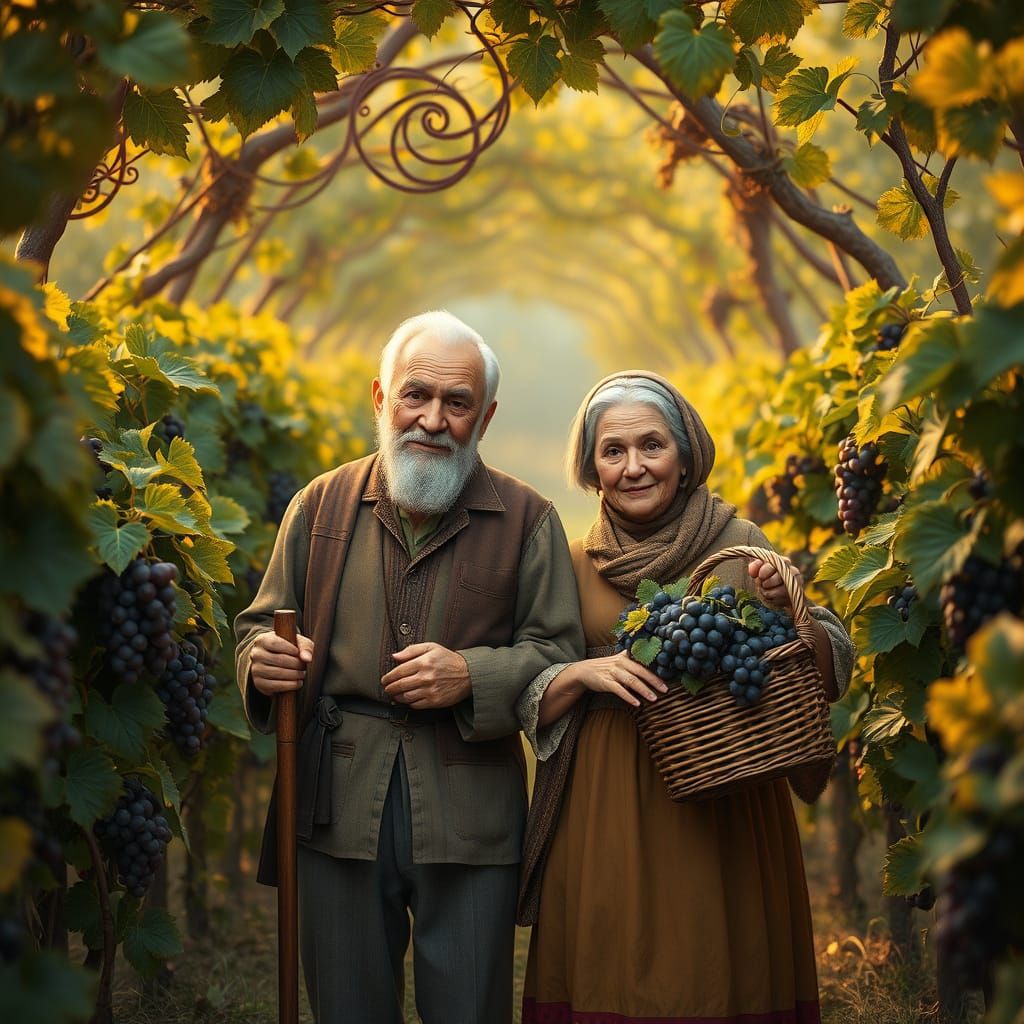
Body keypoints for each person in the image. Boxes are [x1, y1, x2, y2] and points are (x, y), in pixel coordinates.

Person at [234, 310, 584, 1024]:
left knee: (470, 1008)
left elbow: (559, 655)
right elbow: (259, 625)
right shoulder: (318, 506)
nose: (431, 420)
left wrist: (471, 675)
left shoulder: (529, 519)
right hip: (335, 803)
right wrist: (262, 659)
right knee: (346, 1006)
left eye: (457, 403)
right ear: (380, 398)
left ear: (484, 417)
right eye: (414, 395)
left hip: (472, 811)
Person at [516, 371, 855, 1024]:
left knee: (721, 960)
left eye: (652, 445)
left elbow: (827, 657)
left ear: (686, 452)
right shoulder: (569, 559)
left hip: (730, 792)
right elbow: (530, 681)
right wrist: (583, 675)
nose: (633, 466)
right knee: (613, 962)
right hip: (608, 802)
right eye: (613, 451)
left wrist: (791, 610)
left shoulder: (741, 541)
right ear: (591, 466)